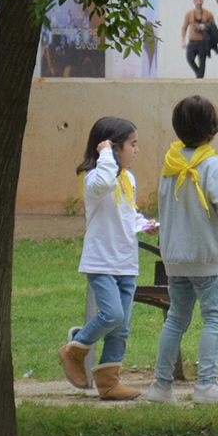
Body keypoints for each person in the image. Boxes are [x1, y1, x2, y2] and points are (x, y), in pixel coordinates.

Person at [146, 95, 218, 405]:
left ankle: (161, 387)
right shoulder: (213, 165)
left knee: (176, 318)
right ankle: (207, 385)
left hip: (176, 258)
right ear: (213, 130)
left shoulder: (171, 163)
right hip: (206, 258)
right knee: (215, 318)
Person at [59, 116, 159, 401]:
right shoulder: (94, 178)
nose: (137, 150)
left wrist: (143, 224)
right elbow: (104, 182)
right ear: (114, 149)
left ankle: (109, 381)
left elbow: (126, 215)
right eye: (132, 144)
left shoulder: (128, 178)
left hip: (126, 262)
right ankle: (75, 349)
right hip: (101, 261)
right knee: (112, 314)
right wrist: (104, 153)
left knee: (122, 326)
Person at [181, 0, 216, 78]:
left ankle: (199, 79)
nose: (198, 3)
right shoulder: (189, 14)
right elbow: (184, 27)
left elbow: (213, 27)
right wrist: (183, 41)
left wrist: (205, 27)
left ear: (203, 1)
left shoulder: (208, 14)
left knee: (202, 62)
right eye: (197, 1)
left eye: (200, 1)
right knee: (190, 59)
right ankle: (198, 74)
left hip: (203, 41)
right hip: (192, 41)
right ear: (194, 2)